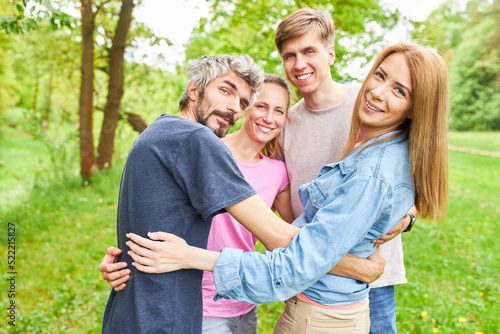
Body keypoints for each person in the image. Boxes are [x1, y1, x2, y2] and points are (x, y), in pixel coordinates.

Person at [123, 42, 450, 334]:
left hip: (236, 303)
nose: (236, 107)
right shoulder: (198, 143)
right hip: (186, 304)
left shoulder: (170, 136)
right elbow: (288, 241)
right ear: (193, 89)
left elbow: (293, 241)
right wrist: (357, 266)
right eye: (227, 92)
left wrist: (405, 215)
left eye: (242, 100)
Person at [275, 8, 418, 333]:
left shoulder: (372, 103)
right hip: (316, 276)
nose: (299, 64)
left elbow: (413, 176)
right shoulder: (283, 123)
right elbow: (283, 202)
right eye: (289, 55)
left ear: (330, 53)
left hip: (373, 273)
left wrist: (408, 217)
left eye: (309, 51)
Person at [201, 74, 294, 333]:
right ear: (246, 107)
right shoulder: (210, 150)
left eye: (279, 111)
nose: (269, 118)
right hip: (204, 303)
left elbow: (289, 232)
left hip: (245, 296)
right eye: (262, 106)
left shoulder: (278, 172)